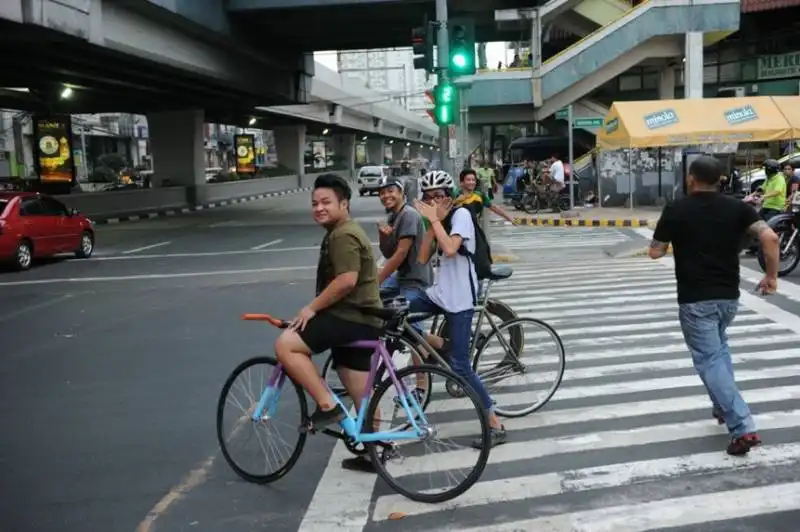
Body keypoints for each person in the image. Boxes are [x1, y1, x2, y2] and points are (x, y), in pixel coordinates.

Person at [648, 156, 779, 456]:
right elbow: (770, 237)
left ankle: (742, 427)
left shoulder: (677, 209)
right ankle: (722, 407)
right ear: (720, 180)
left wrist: (670, 242)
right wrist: (771, 276)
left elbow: (655, 252)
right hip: (728, 299)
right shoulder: (738, 208)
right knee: (719, 353)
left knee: (709, 361)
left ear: (691, 179)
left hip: (696, 300)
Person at [274, 173, 383, 433]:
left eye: (326, 202)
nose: (319, 208)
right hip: (364, 318)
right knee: (359, 390)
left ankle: (327, 406)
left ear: (343, 204)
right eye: (315, 203)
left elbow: (347, 280)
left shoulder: (342, 235)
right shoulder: (344, 230)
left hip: (351, 318)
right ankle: (376, 449)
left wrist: (311, 308)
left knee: (286, 345)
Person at [412, 170, 507, 448]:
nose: (435, 201)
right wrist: (432, 224)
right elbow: (421, 257)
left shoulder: (462, 215)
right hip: (438, 295)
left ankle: (495, 423)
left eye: (440, 196)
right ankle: (442, 344)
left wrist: (435, 220)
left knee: (461, 367)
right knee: (398, 314)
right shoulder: (437, 219)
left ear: (450, 196)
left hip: (461, 299)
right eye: (429, 198)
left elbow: (451, 248)